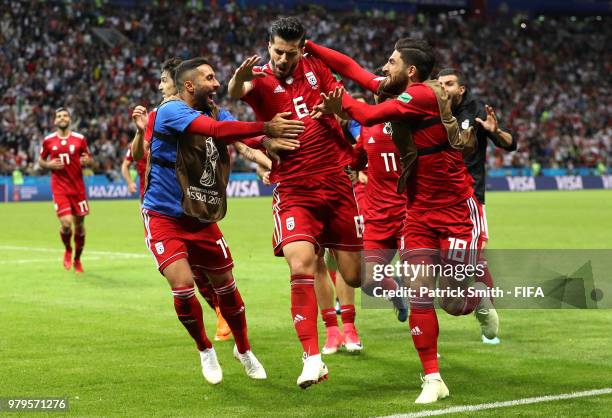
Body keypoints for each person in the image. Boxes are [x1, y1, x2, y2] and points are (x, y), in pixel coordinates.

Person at [306, 38, 487, 404]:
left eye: (391, 62)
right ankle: (433, 377)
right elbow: (353, 68)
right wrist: (308, 46)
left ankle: (479, 294)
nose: (384, 68)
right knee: (420, 292)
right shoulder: (399, 91)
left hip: (454, 211)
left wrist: (339, 104)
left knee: (453, 304)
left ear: (411, 71)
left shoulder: (421, 95)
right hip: (417, 210)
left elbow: (368, 114)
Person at [138, 56, 304, 384]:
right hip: (163, 216)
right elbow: (215, 131)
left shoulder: (213, 110)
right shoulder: (171, 111)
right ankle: (205, 349)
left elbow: (237, 136)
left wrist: (267, 143)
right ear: (189, 86)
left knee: (227, 289)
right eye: (210, 78)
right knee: (184, 287)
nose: (217, 84)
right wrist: (266, 126)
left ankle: (243, 350)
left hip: (200, 215)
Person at [228, 17, 363, 389]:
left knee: (354, 275)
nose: (283, 59)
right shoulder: (257, 76)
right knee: (301, 264)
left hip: (336, 182)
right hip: (294, 188)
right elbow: (236, 90)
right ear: (268, 46)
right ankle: (312, 357)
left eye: (290, 52)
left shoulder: (318, 67)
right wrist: (262, 137)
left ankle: (358, 293)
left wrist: (340, 115)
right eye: (277, 51)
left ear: (302, 48)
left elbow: (343, 104)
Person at [438, 68, 516, 344]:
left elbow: (509, 144)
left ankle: (486, 304)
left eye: (449, 84)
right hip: (436, 200)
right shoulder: (431, 110)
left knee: (474, 258)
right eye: (440, 84)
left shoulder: (476, 111)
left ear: (461, 89)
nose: (444, 88)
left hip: (470, 198)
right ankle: (474, 299)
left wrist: (497, 132)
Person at [39, 107, 93, 273]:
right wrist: (48, 164)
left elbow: (89, 159)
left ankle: (77, 259)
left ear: (70, 119)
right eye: (59, 116)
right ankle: (68, 250)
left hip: (78, 189)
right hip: (59, 187)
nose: (62, 118)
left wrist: (87, 161)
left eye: (65, 116)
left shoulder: (80, 139)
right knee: (66, 223)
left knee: (80, 226)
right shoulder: (48, 141)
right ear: (55, 121)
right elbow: (41, 161)